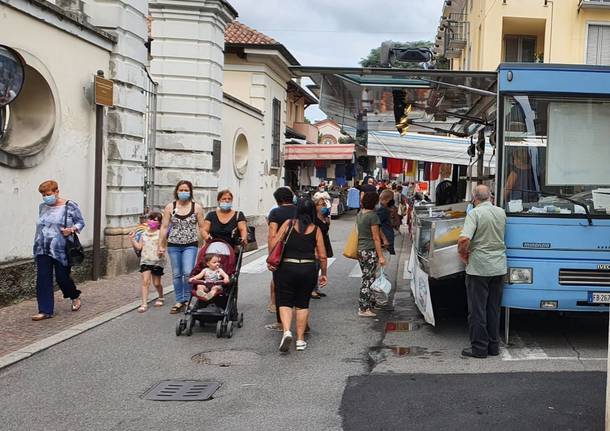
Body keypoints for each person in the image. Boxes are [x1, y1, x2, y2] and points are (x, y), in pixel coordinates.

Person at [270, 198, 328, 352]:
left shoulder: (288, 224)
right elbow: (322, 256)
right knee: (302, 303)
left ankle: (287, 331)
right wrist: (324, 273)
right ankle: (300, 340)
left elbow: (275, 242)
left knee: (285, 302)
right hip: (308, 269)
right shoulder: (316, 229)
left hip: (287, 267)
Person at [458, 185, 507, 359]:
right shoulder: (501, 212)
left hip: (479, 267)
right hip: (499, 266)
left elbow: (464, 239)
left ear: (474, 198)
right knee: (493, 308)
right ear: (491, 197)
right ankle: (494, 346)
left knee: (477, 310)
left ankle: (479, 348)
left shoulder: (475, 213)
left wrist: (463, 255)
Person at [32, 180, 84, 321]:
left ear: (56, 192)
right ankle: (45, 310)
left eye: (48, 194)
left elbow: (80, 222)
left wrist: (71, 229)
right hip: (42, 248)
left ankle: (74, 295)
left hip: (61, 250)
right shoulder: (42, 207)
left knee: (62, 278)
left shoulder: (69, 205)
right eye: (43, 194)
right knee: (43, 279)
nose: (45, 197)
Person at [159, 180, 206, 314]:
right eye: (181, 190)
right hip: (173, 244)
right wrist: (160, 245)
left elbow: (202, 226)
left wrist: (203, 244)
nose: (183, 192)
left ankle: (188, 299)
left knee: (187, 272)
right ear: (177, 191)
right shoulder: (170, 207)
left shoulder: (196, 207)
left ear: (190, 192)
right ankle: (179, 300)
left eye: (186, 190)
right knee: (176, 274)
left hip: (190, 244)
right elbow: (164, 227)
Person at [266, 187, 297, 328]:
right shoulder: (299, 211)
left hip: (282, 254)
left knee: (280, 289)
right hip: (300, 252)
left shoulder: (275, 213)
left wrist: (271, 257)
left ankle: (281, 322)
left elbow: (272, 236)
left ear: (277, 200)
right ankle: (301, 320)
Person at [356, 192, 386, 317]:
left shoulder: (360, 214)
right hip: (369, 250)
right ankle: (363, 308)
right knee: (367, 279)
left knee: (368, 276)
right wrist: (381, 256)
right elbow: (376, 238)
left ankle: (369, 303)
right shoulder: (373, 216)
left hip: (361, 249)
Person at [129, 212, 165, 313]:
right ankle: (144, 303)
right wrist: (132, 239)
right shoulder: (143, 233)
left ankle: (161, 296)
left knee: (157, 283)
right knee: (145, 282)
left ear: (159, 223)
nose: (152, 221)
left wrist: (162, 250)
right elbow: (139, 247)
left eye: (155, 220)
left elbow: (163, 246)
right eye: (150, 219)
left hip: (157, 261)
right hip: (145, 260)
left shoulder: (161, 234)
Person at [311, 192, 333, 299]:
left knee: (318, 266)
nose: (324, 206)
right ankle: (311, 289)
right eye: (321, 204)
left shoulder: (323, 217)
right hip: (317, 245)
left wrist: (327, 217)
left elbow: (327, 227)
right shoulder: (313, 219)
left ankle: (315, 288)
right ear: (315, 206)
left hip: (324, 242)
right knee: (315, 267)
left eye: (324, 204)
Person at [376, 190, 395, 257]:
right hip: (385, 239)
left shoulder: (380, 208)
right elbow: (377, 225)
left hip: (384, 239)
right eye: (391, 199)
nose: (392, 202)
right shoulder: (382, 210)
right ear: (387, 200)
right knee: (384, 260)